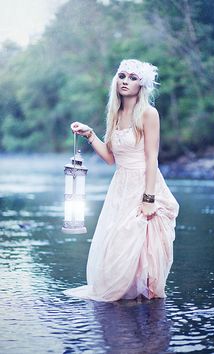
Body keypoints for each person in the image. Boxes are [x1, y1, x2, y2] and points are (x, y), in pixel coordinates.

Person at [63, 59, 180, 302]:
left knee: (139, 241)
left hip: (144, 184)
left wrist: (149, 199)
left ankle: (142, 300)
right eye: (122, 76)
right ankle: (123, 295)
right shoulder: (114, 114)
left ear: (142, 84)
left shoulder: (149, 113)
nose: (126, 81)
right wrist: (90, 134)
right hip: (120, 186)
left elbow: (151, 159)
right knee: (117, 242)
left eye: (133, 77)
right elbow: (109, 158)